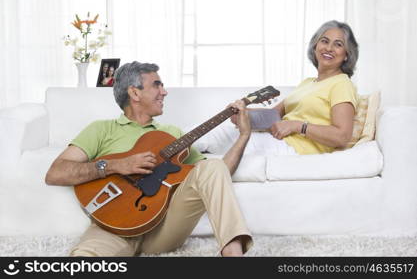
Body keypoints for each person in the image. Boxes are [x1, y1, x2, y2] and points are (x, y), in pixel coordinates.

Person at [45, 61, 253, 257]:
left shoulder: (172, 134)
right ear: (134, 92)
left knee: (213, 165)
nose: (165, 92)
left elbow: (218, 175)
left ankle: (233, 256)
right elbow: (56, 173)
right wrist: (116, 165)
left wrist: (243, 135)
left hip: (164, 227)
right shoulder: (101, 129)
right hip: (113, 227)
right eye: (157, 85)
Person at [231, 20, 359, 155]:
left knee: (233, 144)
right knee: (220, 134)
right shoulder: (307, 83)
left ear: (346, 54)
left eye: (338, 44)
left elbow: (342, 136)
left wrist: (298, 126)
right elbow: (272, 116)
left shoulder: (342, 84)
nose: (329, 48)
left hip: (296, 148)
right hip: (277, 140)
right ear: (315, 46)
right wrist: (242, 113)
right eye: (324, 41)